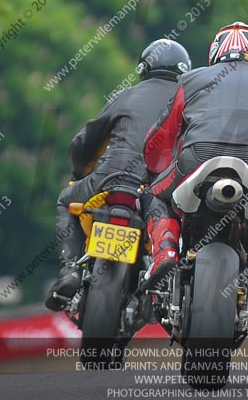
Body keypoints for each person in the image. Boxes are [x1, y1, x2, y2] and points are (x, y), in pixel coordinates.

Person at [141, 22, 248, 306]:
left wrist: (159, 167)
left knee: (152, 197)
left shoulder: (190, 80)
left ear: (215, 53)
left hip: (196, 160)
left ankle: (165, 254)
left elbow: (159, 141)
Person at [45, 39, 191, 311]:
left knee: (66, 200)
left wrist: (80, 174)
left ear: (143, 68)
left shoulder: (126, 95)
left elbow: (84, 144)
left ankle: (69, 272)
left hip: (109, 180)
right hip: (161, 190)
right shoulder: (191, 102)